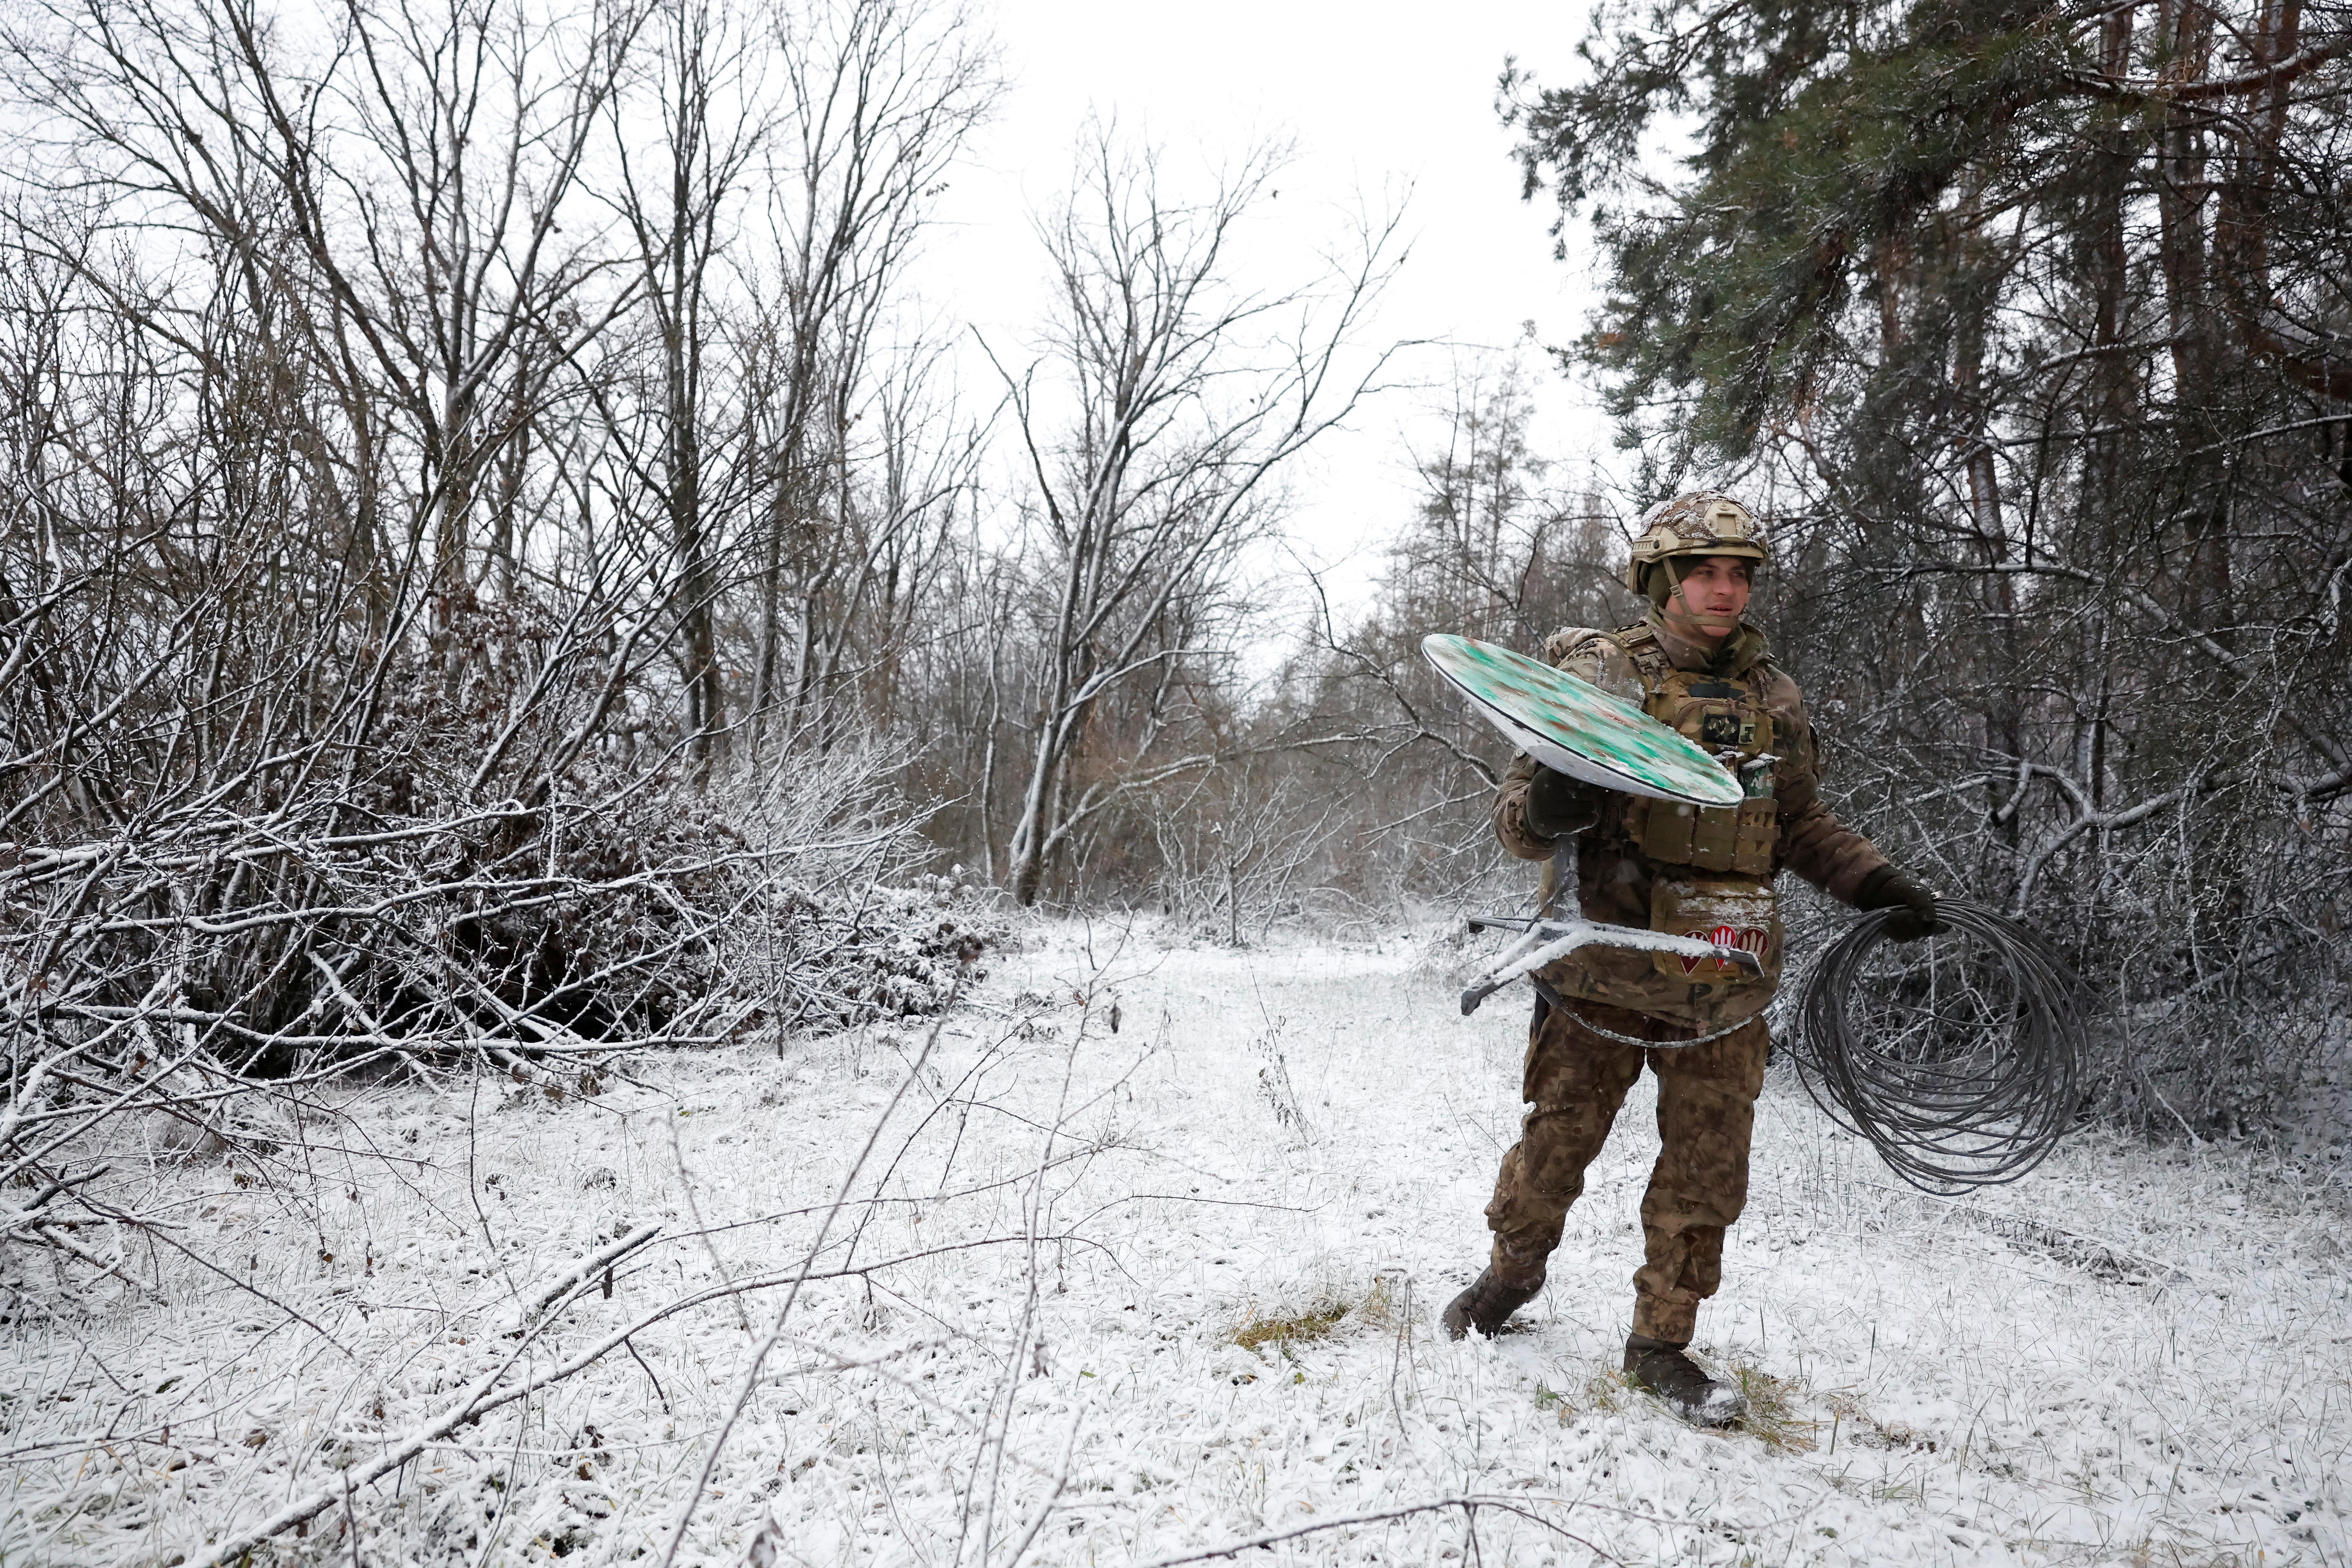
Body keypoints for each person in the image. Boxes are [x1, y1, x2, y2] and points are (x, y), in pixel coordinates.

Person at [1441, 492, 1943, 1426]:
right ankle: (1508, 1279)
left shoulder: (1772, 698)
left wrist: (1877, 884)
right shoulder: (1594, 675)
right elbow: (1516, 826)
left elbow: (1796, 823)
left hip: (1723, 978)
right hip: (1599, 972)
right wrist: (1554, 796)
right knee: (1555, 1146)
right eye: (1706, 570)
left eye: (1739, 572)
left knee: (1705, 1170)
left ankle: (1660, 1344)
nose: (1726, 588)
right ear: (1660, 581)